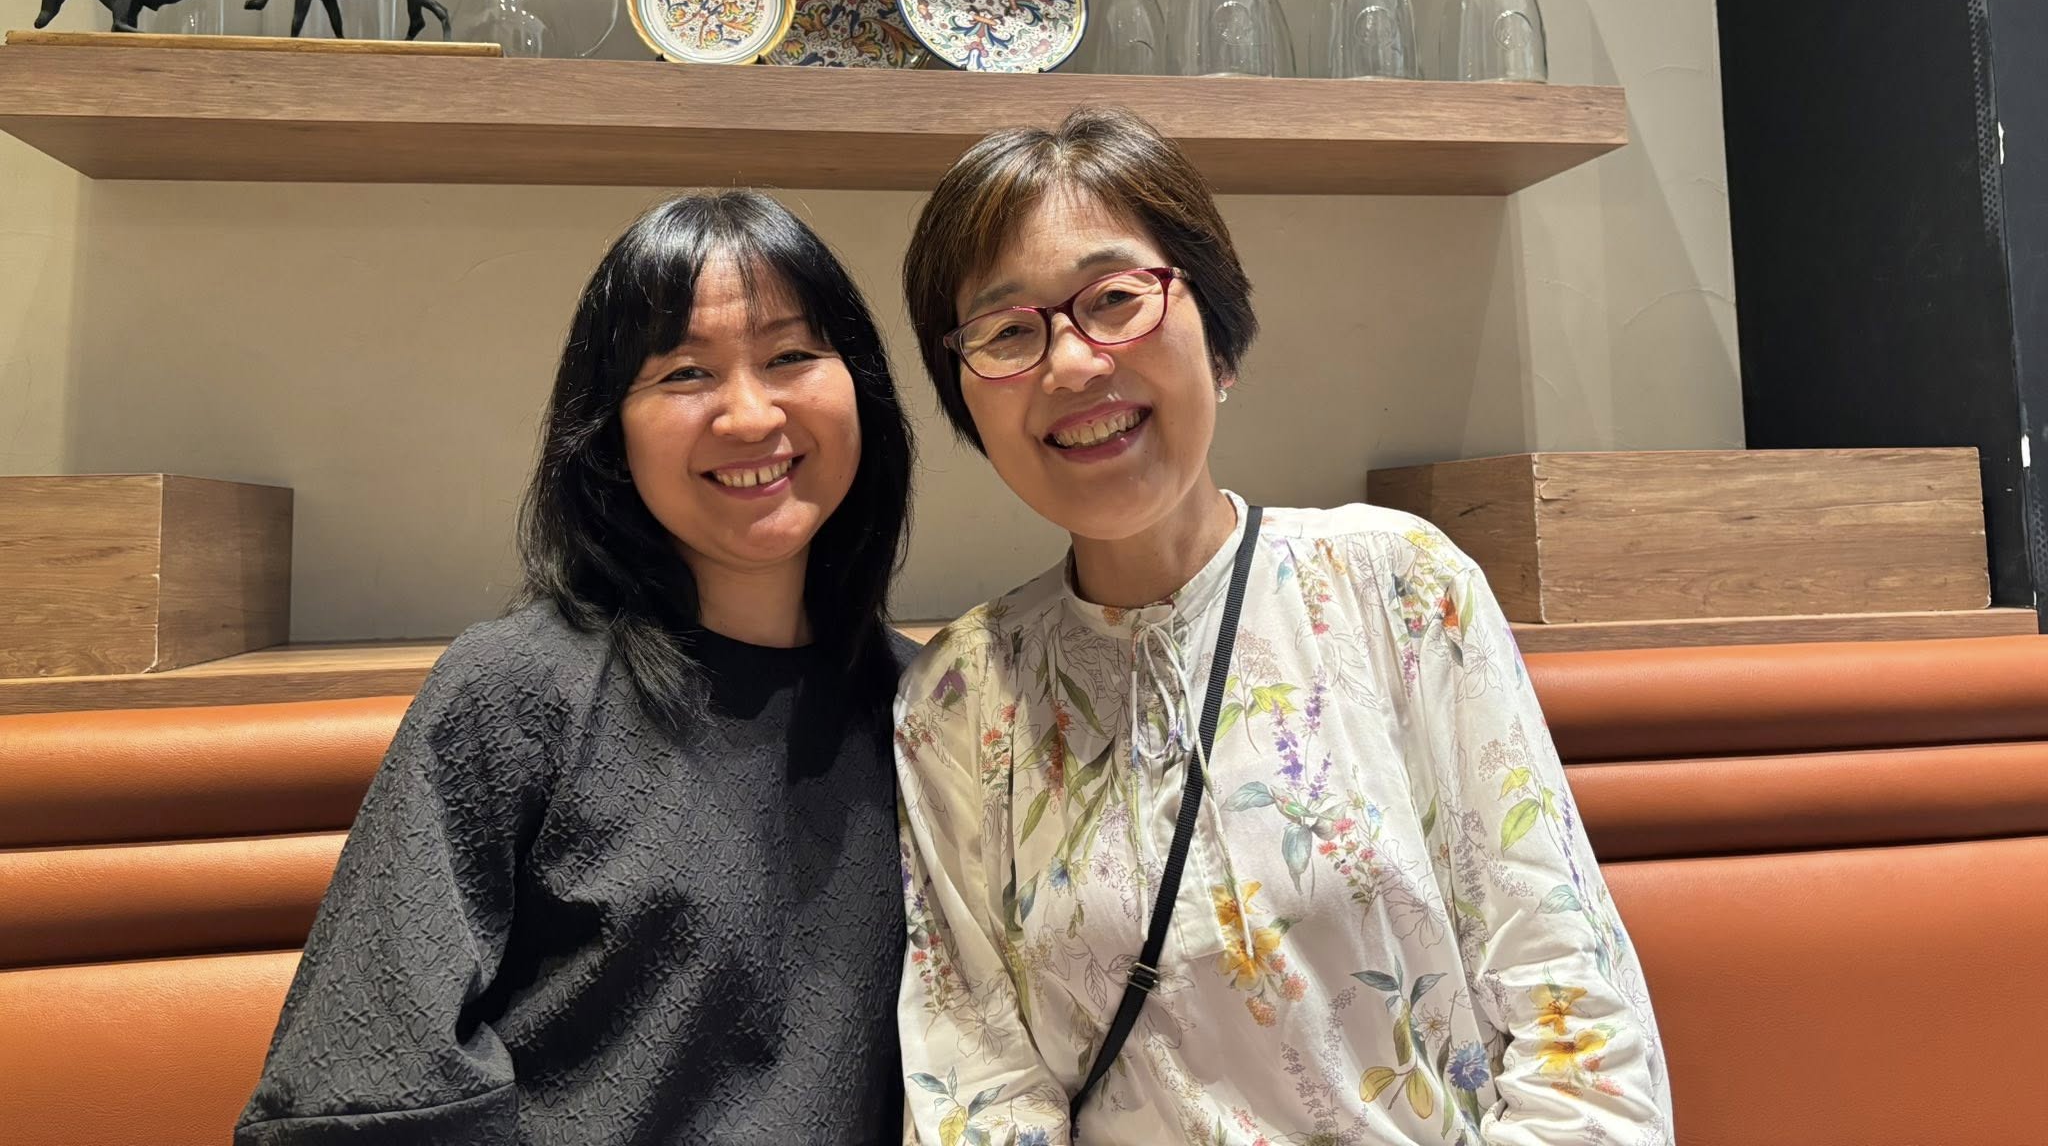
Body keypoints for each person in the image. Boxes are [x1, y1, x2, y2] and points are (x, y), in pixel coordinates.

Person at [893, 107, 1671, 1145]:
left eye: (1115, 299)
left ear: (1216, 335)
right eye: (1007, 333)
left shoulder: (1395, 587)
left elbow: (1574, 1020)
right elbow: (975, 1084)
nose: (1071, 364)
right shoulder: (957, 697)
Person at [237, 191, 916, 1144]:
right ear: (610, 432)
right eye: (684, 372)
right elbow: (360, 1086)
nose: (750, 413)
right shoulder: (513, 691)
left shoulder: (931, 711)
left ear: (861, 390)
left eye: (792, 355)